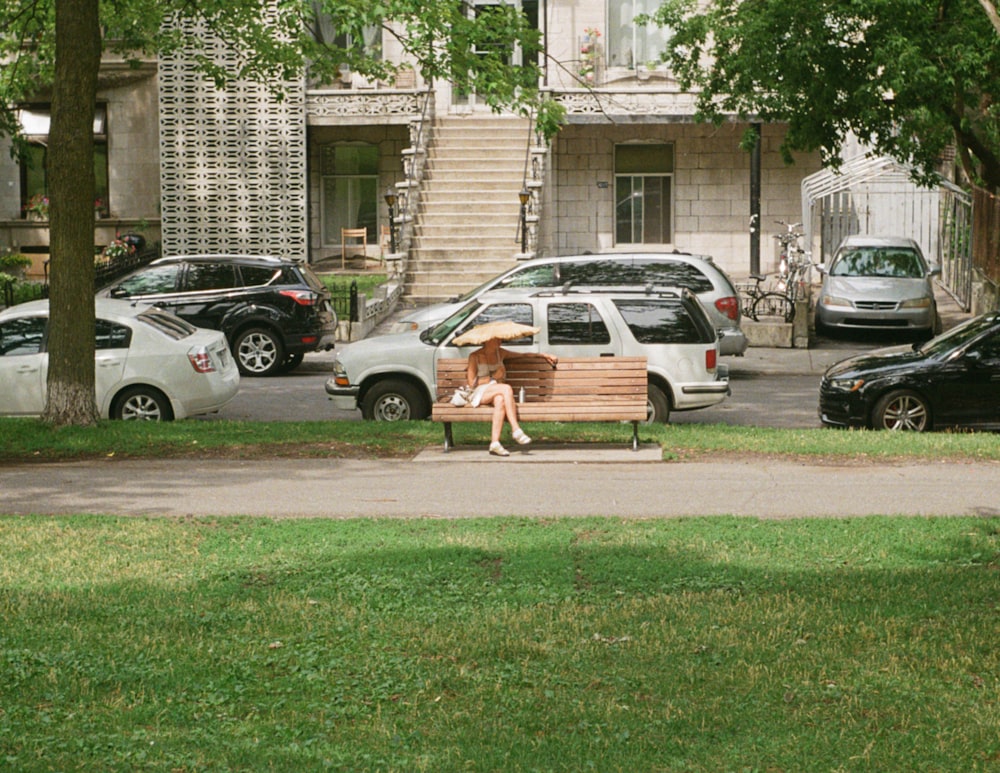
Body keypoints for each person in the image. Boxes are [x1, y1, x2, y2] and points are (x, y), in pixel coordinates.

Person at [466, 337, 557, 456]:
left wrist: (543, 355)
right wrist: (492, 378)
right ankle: (515, 429)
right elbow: (471, 382)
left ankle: (495, 443)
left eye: (500, 340)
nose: (500, 342)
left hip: (497, 391)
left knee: (500, 400)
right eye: (496, 340)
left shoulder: (501, 353)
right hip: (479, 392)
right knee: (506, 388)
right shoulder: (475, 356)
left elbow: (523, 355)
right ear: (486, 340)